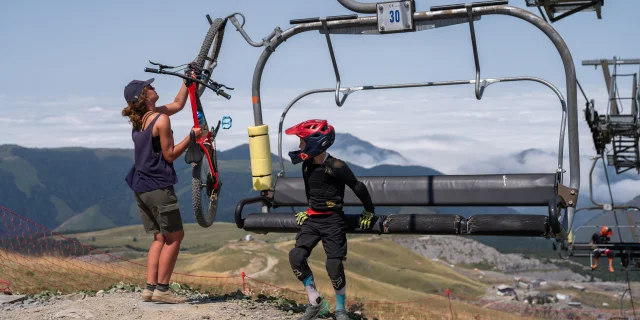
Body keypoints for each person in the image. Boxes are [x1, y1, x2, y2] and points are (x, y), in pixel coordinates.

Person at [121, 76, 203, 303]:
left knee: (159, 238)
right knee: (175, 236)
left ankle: (149, 288)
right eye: (150, 87)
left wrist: (188, 82)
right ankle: (163, 290)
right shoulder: (161, 120)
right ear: (144, 96)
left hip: (140, 186)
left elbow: (178, 103)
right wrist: (192, 137)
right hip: (158, 186)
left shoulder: (143, 118)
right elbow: (170, 155)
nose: (154, 88)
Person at [285, 119, 376, 320]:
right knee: (296, 257)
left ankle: (341, 309)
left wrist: (369, 211)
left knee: (333, 266)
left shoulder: (336, 166)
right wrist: (308, 210)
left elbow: (357, 186)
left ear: (315, 144)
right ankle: (315, 302)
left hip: (333, 220)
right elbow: (313, 192)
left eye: (302, 142)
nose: (299, 146)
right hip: (313, 220)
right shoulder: (307, 165)